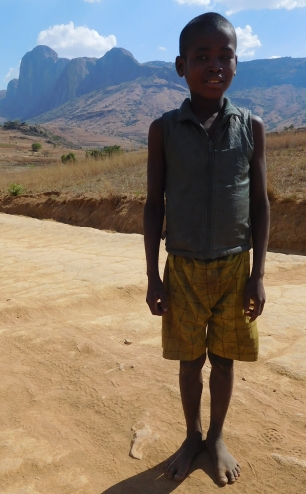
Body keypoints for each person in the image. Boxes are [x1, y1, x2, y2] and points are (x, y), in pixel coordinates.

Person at [144, 12, 270, 486]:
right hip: (181, 269)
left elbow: (259, 204)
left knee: (225, 359)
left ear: (236, 64)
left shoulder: (251, 126)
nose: (214, 65)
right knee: (188, 361)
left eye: (224, 55)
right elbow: (153, 205)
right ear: (181, 66)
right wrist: (154, 275)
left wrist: (258, 274)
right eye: (202, 57)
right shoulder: (165, 130)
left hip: (236, 267)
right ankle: (192, 434)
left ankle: (216, 436)